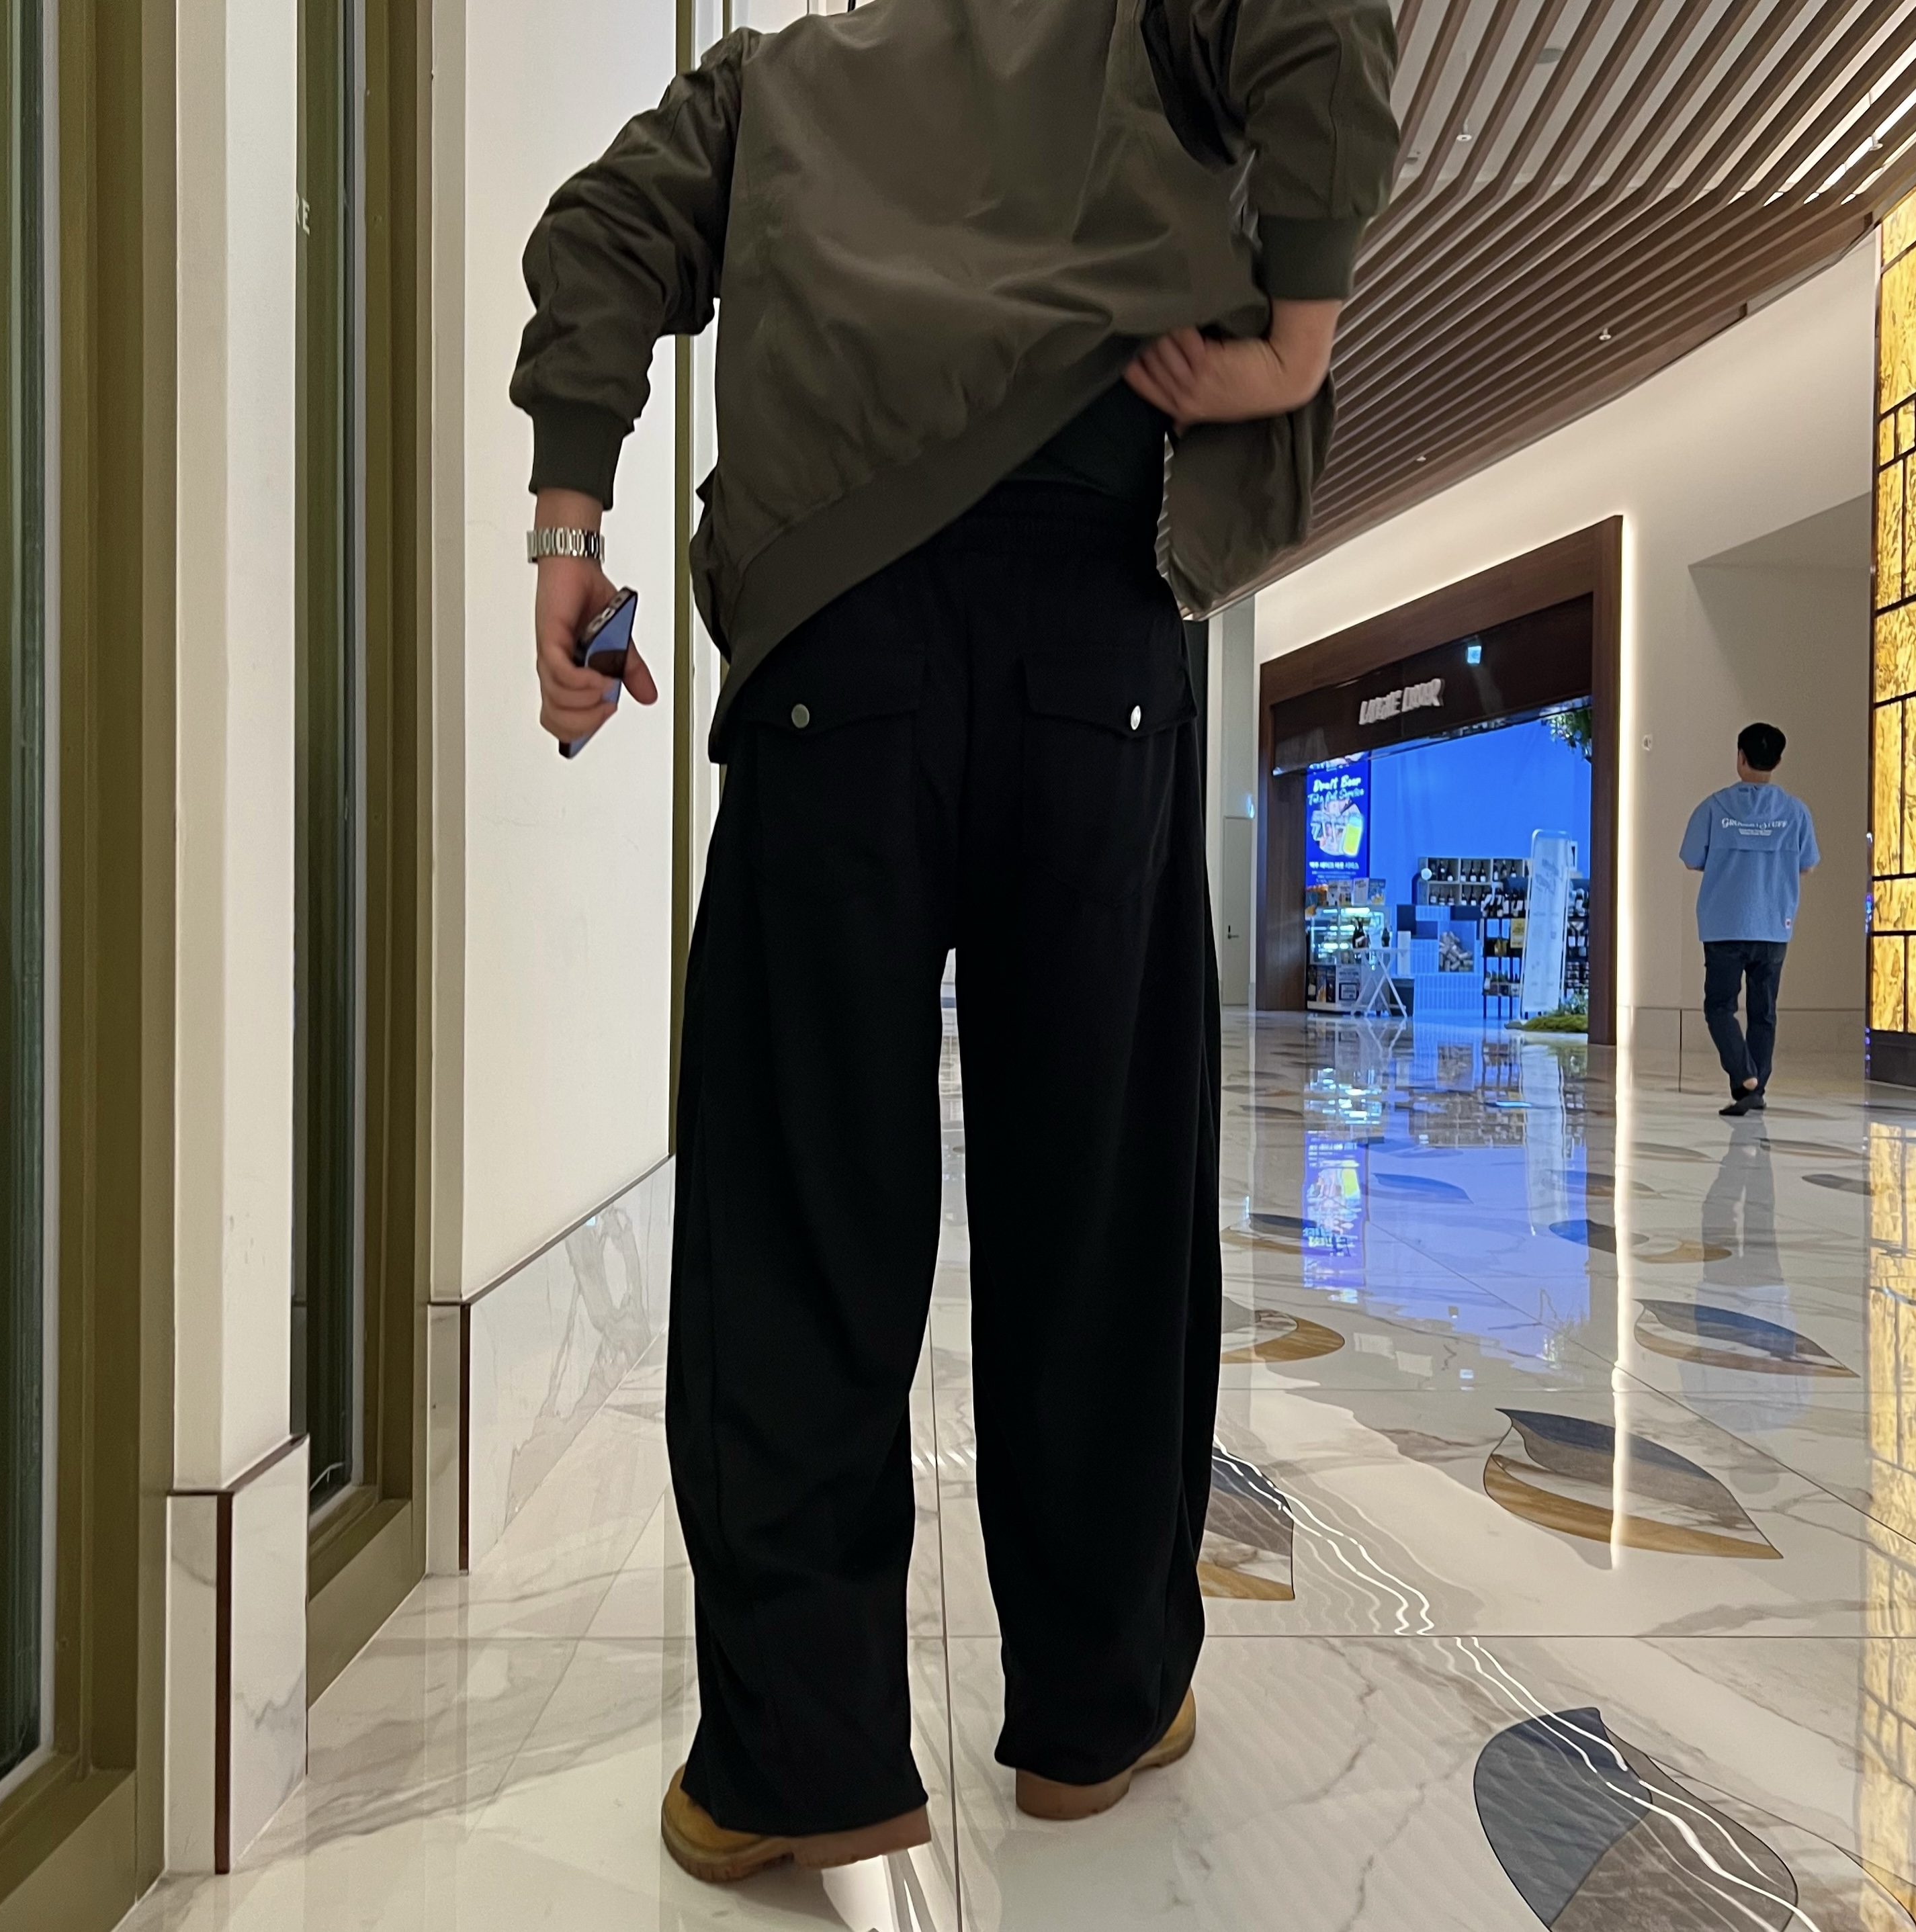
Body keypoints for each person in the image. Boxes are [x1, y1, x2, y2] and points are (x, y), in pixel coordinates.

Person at [511, 0, 1397, 1885]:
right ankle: (1096, 1702)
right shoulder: (1144, 33)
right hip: (1093, 642)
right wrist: (1298, 337)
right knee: (1101, 1198)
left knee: (794, 1206)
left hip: (834, 664)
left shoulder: (774, 84)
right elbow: (1317, 30)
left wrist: (568, 523)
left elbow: (602, 229)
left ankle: (794, 1758)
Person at [1680, 723, 1821, 1118]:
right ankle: (1755, 1087)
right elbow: (1808, 865)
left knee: (1720, 1007)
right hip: (1774, 924)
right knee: (1764, 1012)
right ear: (1778, 761)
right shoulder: (1795, 812)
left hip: (1724, 924)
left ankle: (1745, 1077)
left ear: (1740, 758)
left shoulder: (1713, 807)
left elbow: (1691, 859)